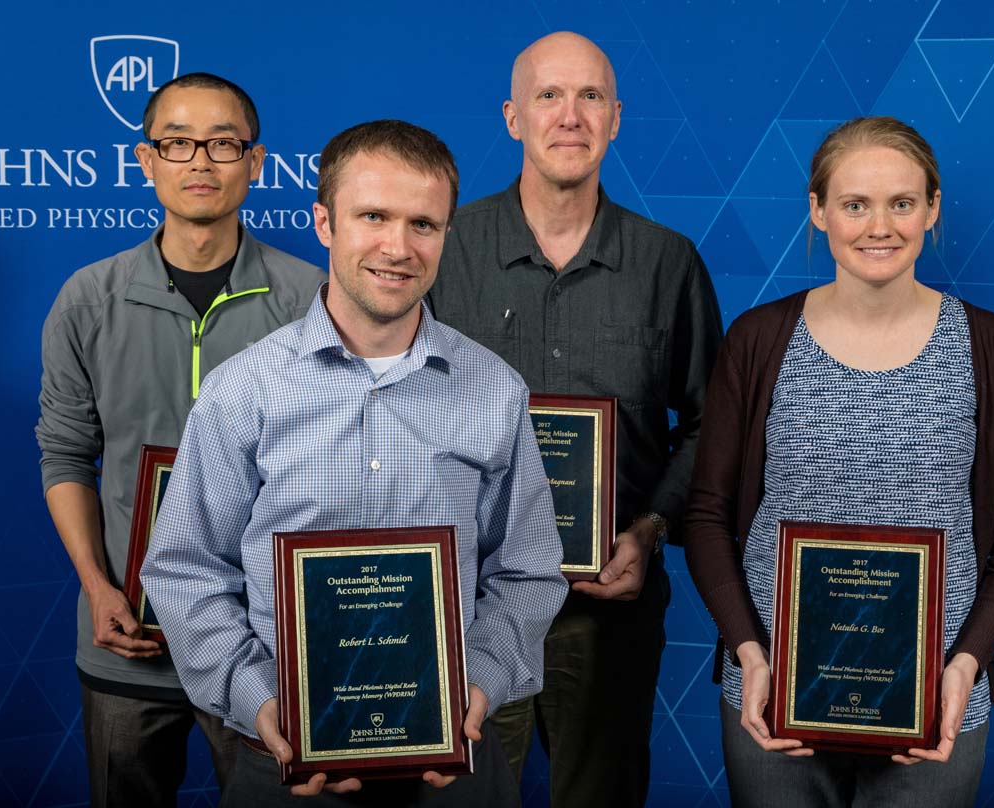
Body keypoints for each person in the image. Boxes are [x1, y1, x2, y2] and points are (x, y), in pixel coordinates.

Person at [140, 119, 568, 807]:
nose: (398, 247)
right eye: (373, 216)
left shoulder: (494, 389)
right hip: (284, 764)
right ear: (324, 222)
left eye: (423, 224)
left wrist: (479, 685)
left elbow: (527, 571)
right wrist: (259, 701)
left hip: (454, 760)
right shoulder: (242, 390)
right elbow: (185, 570)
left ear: (444, 235)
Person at [684, 116, 994, 807]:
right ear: (818, 211)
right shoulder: (759, 340)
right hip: (773, 696)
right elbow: (706, 517)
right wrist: (747, 652)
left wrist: (965, 665)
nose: (879, 226)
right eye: (855, 204)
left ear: (932, 209)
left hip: (937, 702)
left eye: (902, 204)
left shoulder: (993, 350)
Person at [425, 30, 723, 807]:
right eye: (548, 96)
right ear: (512, 116)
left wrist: (651, 530)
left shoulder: (668, 262)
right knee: (463, 797)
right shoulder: (444, 251)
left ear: (616, 118)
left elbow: (712, 424)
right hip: (465, 603)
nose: (571, 115)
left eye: (590, 96)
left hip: (606, 611)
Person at [36, 72, 326, 806]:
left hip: (264, 645)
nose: (201, 161)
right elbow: (66, 454)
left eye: (223, 144)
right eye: (179, 143)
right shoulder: (88, 299)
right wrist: (98, 588)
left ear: (256, 163)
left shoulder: (312, 302)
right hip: (127, 638)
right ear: (146, 160)